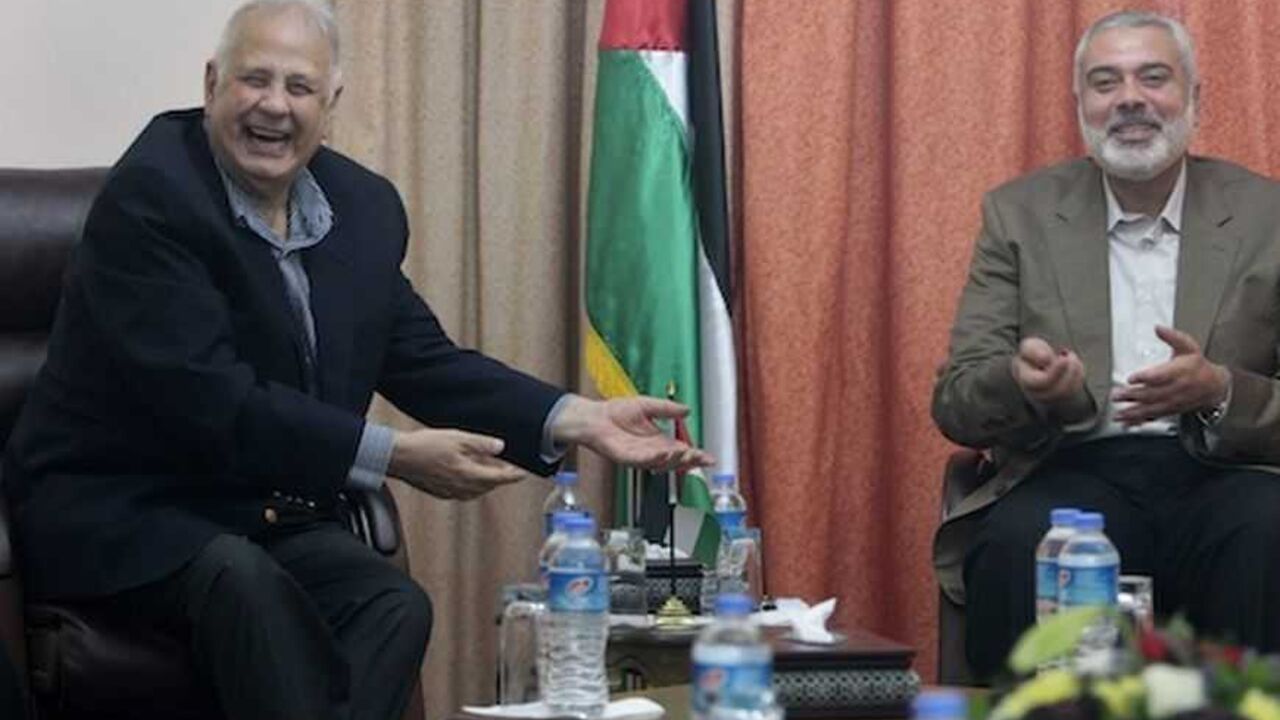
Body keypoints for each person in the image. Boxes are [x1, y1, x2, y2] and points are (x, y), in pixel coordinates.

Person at [0, 1, 711, 718]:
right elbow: (212, 400)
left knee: (392, 603)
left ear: (330, 103)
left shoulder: (360, 208)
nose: (274, 105)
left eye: (299, 87)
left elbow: (421, 358)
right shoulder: (152, 196)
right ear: (212, 83)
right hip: (121, 508)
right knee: (246, 586)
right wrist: (393, 455)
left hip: (251, 511)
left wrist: (577, 417)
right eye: (254, 79)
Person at [933, 10, 1280, 680]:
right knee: (1021, 541)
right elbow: (956, 402)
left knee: (1269, 531)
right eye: (1105, 82)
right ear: (1080, 104)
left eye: (1153, 78)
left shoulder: (1268, 216)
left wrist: (1220, 392)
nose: (1129, 99)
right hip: (1073, 470)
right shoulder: (1019, 215)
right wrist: (1027, 388)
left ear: (1195, 97)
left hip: (1230, 474)